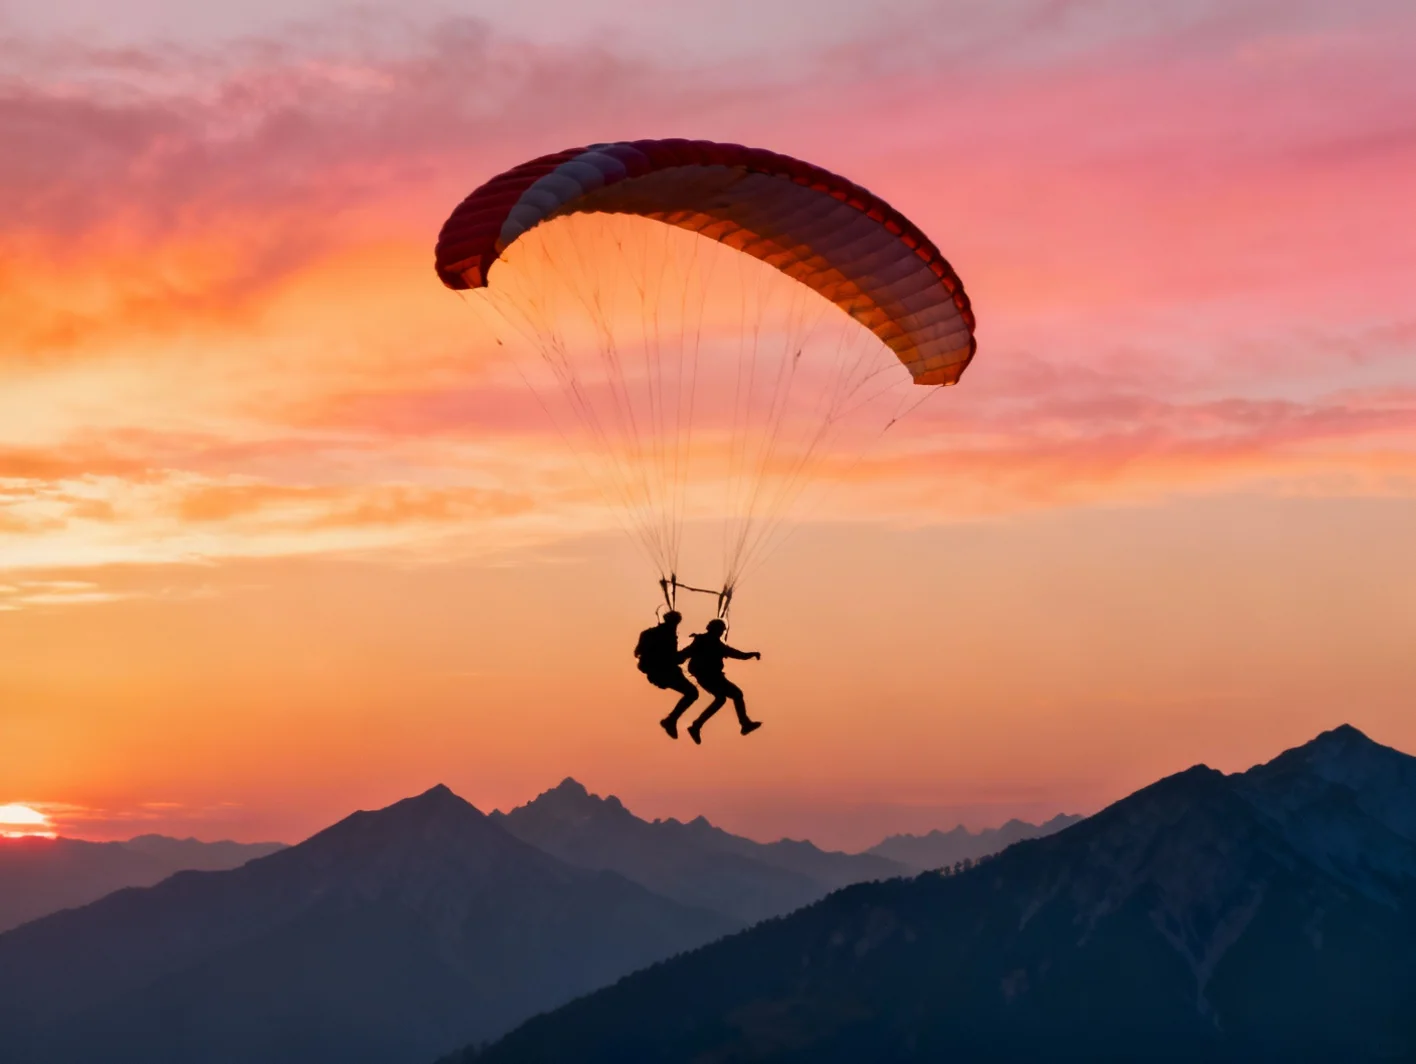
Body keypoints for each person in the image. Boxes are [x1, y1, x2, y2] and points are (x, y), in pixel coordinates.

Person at [680, 619, 761, 744]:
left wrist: (750, 654)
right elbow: (686, 653)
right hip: (709, 676)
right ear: (714, 630)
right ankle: (744, 724)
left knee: (721, 699)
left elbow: (735, 653)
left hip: (709, 676)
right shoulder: (706, 641)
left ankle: (696, 726)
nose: (721, 633)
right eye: (720, 630)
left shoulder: (709, 641)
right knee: (736, 694)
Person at [634, 611, 699, 739]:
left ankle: (671, 720)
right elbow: (672, 658)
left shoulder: (649, 633)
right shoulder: (667, 636)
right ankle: (671, 720)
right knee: (692, 693)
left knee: (691, 693)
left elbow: (637, 652)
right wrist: (692, 649)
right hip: (663, 672)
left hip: (656, 672)